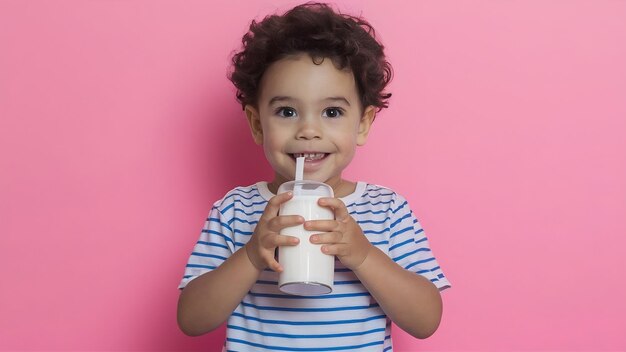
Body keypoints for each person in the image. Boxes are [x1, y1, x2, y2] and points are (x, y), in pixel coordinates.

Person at [177, 2, 450, 351]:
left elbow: (426, 320)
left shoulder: (387, 211)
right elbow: (191, 320)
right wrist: (250, 255)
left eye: (332, 112)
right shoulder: (234, 211)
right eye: (287, 111)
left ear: (363, 124)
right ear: (258, 124)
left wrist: (364, 255)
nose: (308, 130)